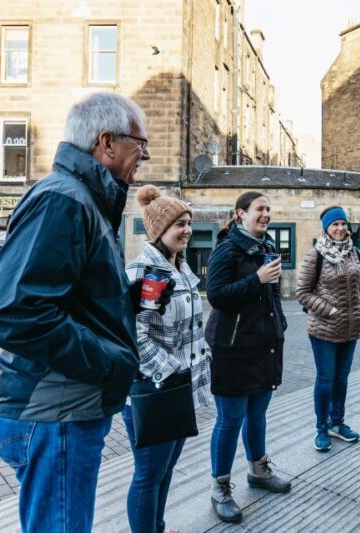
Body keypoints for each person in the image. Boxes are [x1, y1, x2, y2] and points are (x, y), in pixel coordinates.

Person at [0, 92, 169, 532]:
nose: (146, 153)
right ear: (106, 142)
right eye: (139, 142)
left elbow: (67, 299)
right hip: (55, 412)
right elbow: (11, 312)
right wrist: (107, 363)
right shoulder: (65, 199)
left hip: (63, 409)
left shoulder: (84, 199)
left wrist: (128, 295)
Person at [122, 185, 212, 533]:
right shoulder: (145, 272)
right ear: (159, 230)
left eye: (189, 222)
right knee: (148, 473)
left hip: (178, 389)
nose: (187, 230)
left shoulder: (180, 269)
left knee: (165, 467)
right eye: (179, 224)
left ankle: (157, 526)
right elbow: (135, 334)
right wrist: (174, 371)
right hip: (154, 389)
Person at [205, 191, 291, 524]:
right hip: (232, 348)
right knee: (230, 419)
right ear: (240, 214)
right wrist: (255, 279)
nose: (266, 214)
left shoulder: (268, 247)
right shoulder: (227, 249)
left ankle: (258, 469)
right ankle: (220, 487)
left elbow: (273, 294)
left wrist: (280, 324)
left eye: (269, 209)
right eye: (260, 208)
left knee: (258, 414)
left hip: (264, 345)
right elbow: (216, 295)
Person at [296, 206, 360, 452]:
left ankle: (337, 422)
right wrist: (330, 311)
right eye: (334, 225)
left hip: (350, 329)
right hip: (324, 330)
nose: (340, 229)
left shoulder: (355, 253)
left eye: (343, 224)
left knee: (342, 379)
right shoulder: (315, 255)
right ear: (326, 228)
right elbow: (302, 293)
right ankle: (321, 428)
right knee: (326, 379)